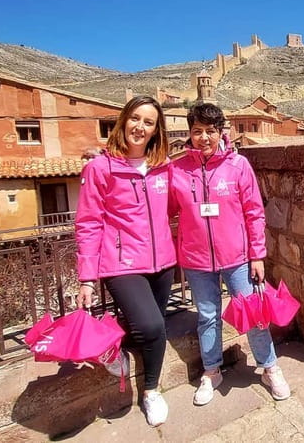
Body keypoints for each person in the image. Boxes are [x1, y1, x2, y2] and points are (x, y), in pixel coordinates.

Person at [169, 103, 290, 406]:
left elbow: (254, 213)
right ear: (190, 133)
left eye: (210, 131)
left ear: (221, 132)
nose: (204, 138)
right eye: (197, 131)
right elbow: (165, 211)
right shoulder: (177, 170)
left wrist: (257, 255)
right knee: (208, 316)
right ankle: (212, 372)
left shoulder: (238, 166)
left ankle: (270, 367)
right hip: (197, 260)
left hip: (237, 257)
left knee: (254, 314)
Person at [75, 95, 176, 427]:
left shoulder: (164, 167)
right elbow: (88, 223)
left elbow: (179, 200)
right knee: (151, 326)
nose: (140, 127)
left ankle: (116, 349)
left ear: (156, 130)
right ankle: (151, 391)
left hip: (163, 262)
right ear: (123, 121)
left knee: (149, 326)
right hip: (121, 264)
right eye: (135, 118)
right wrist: (87, 277)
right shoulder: (100, 168)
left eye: (149, 122)